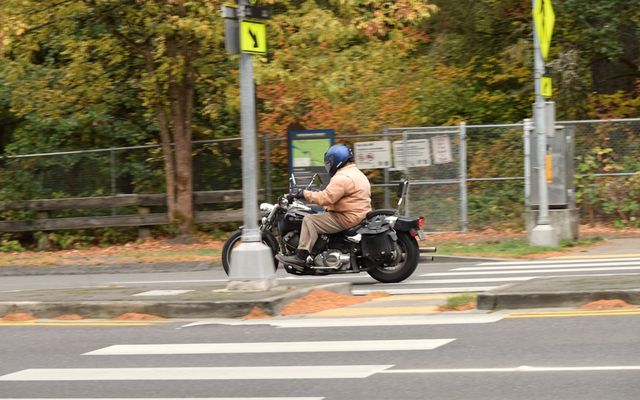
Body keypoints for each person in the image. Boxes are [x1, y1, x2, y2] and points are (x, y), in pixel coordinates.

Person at [276, 144, 372, 268]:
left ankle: (300, 257)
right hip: (358, 215)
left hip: (348, 217)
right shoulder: (357, 173)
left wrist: (303, 193)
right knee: (320, 216)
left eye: (330, 162)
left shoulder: (343, 177)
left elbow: (326, 198)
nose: (329, 165)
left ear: (337, 160)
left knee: (310, 220)